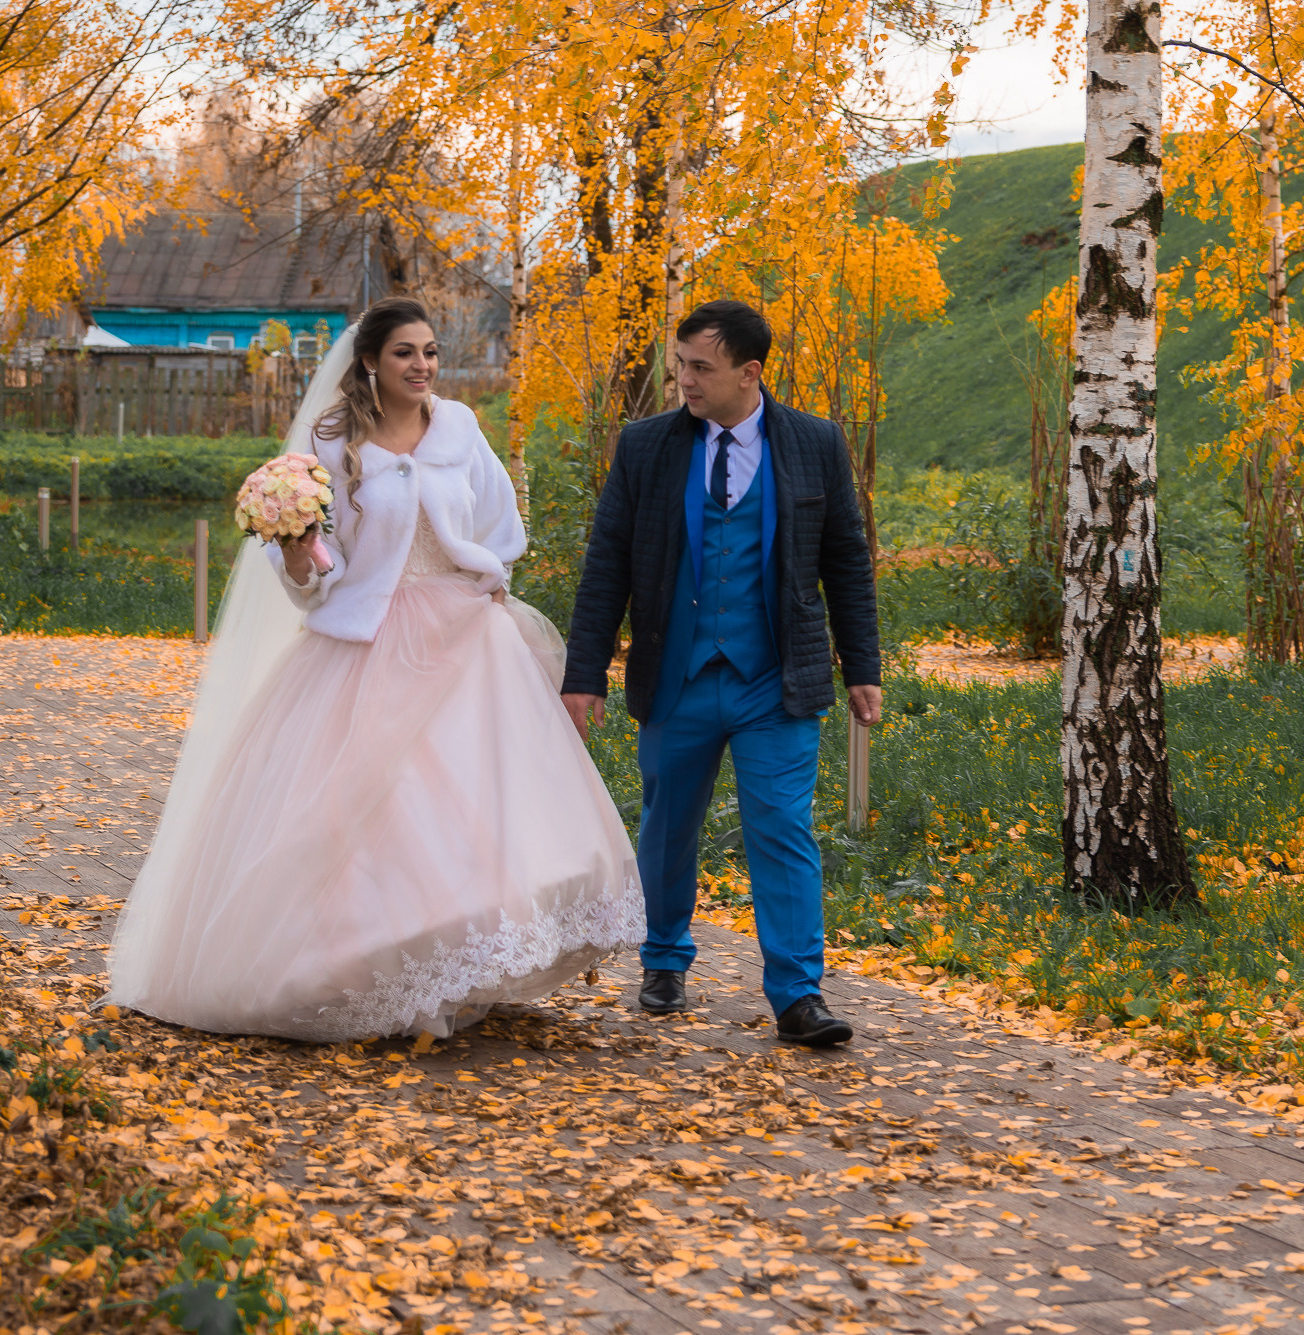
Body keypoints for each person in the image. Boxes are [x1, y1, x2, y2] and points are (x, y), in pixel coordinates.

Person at [107, 298, 644, 1041]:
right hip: (367, 638)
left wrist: (481, 573)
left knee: (479, 796)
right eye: (405, 354)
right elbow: (311, 564)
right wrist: (300, 555)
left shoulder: (459, 427)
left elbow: (499, 521)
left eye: (429, 352)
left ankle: (466, 959)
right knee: (380, 808)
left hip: (466, 635)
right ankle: (359, 964)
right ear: (370, 362)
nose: (422, 366)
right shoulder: (331, 440)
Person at [560, 299, 881, 1048]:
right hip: (678, 671)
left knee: (782, 827)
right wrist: (585, 673)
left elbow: (846, 559)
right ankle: (665, 955)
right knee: (669, 822)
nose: (685, 381)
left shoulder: (814, 443)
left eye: (700, 367)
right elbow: (607, 561)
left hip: (776, 678)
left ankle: (799, 994)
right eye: (680, 365)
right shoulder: (646, 446)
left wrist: (861, 662)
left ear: (750, 371)